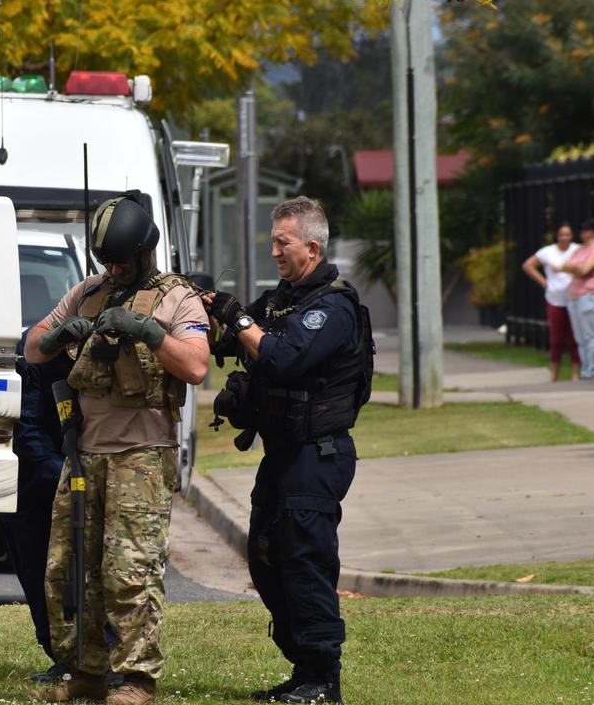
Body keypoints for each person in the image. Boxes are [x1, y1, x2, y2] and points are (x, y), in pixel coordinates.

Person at [24, 192, 209, 705]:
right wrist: (61, 332)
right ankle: (85, 671)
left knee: (129, 571)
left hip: (142, 456)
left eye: (122, 260)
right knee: (71, 568)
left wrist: (149, 332)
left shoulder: (179, 298)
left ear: (146, 251)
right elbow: (32, 347)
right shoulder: (88, 291)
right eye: (108, 259)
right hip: (84, 454)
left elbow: (196, 366)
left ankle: (136, 681)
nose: (115, 268)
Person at [203, 196, 372, 705]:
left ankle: (325, 679)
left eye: (284, 242)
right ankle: (303, 669)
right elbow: (230, 340)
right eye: (273, 240)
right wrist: (204, 304)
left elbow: (280, 357)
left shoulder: (333, 308)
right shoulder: (283, 299)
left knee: (306, 561)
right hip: (281, 457)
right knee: (266, 557)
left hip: (316, 456)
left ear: (313, 247)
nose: (275, 250)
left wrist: (239, 318)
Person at [1, 332, 71, 685]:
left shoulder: (117, 343)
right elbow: (25, 425)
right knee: (37, 568)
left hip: (97, 475)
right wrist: (63, 476)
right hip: (41, 480)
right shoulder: (38, 346)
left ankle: (104, 654)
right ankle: (61, 653)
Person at [521, 223, 581, 381]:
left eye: (568, 235)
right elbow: (528, 265)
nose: (565, 238)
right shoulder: (547, 252)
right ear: (557, 236)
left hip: (574, 298)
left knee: (574, 338)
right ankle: (554, 373)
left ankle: (576, 373)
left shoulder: (577, 250)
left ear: (572, 236)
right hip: (555, 298)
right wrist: (544, 282)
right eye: (562, 234)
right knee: (556, 339)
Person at [562, 218, 594, 380]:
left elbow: (585, 270)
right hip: (575, 294)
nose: (583, 234)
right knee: (579, 337)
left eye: (586, 230)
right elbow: (564, 266)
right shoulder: (580, 249)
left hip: (590, 294)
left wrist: (575, 268)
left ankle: (593, 370)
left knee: (589, 335)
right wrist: (577, 267)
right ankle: (585, 370)